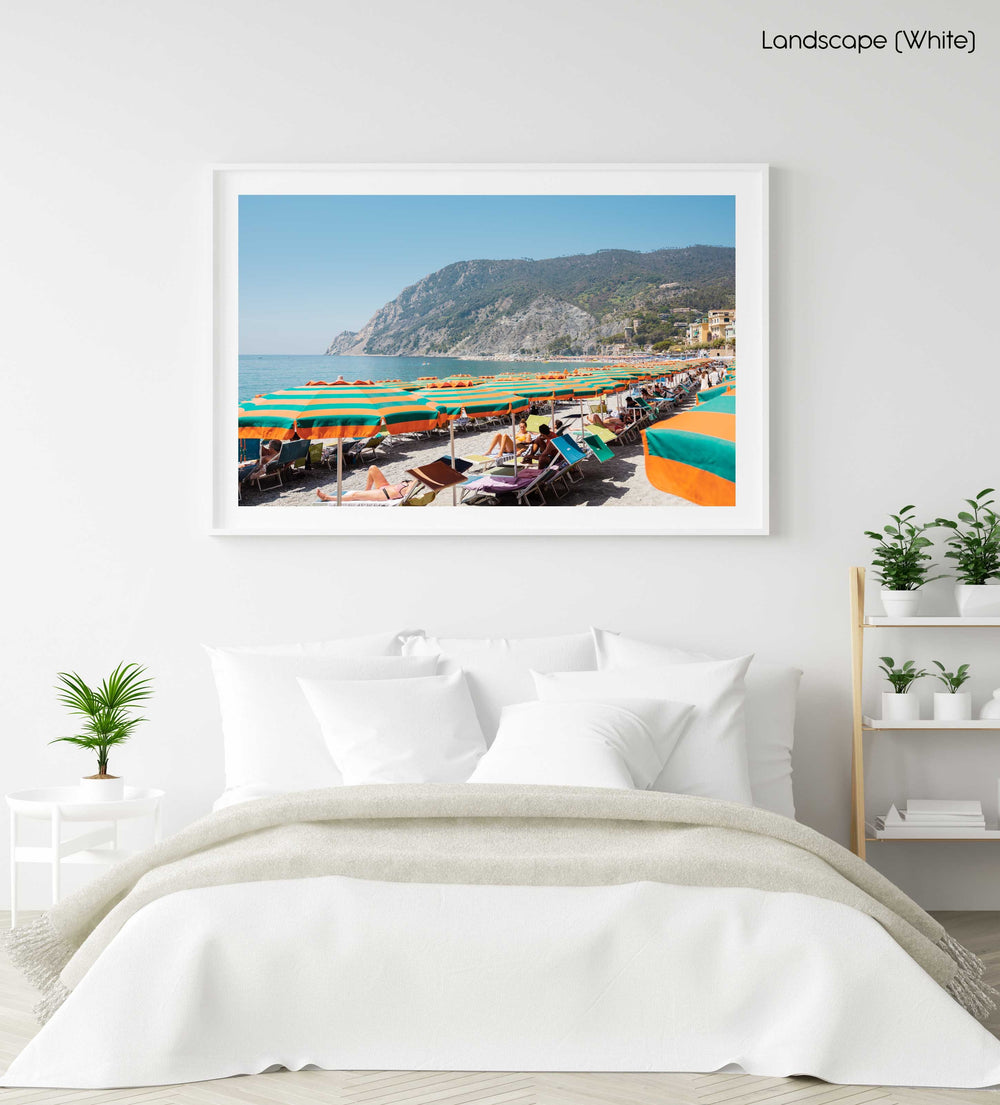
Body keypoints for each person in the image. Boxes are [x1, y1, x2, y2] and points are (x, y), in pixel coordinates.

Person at [317, 464, 416, 502]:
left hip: (383, 494)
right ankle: (366, 492)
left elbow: (407, 496)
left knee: (355, 495)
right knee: (372, 468)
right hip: (386, 487)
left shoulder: (413, 487)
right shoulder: (415, 481)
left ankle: (327, 497)